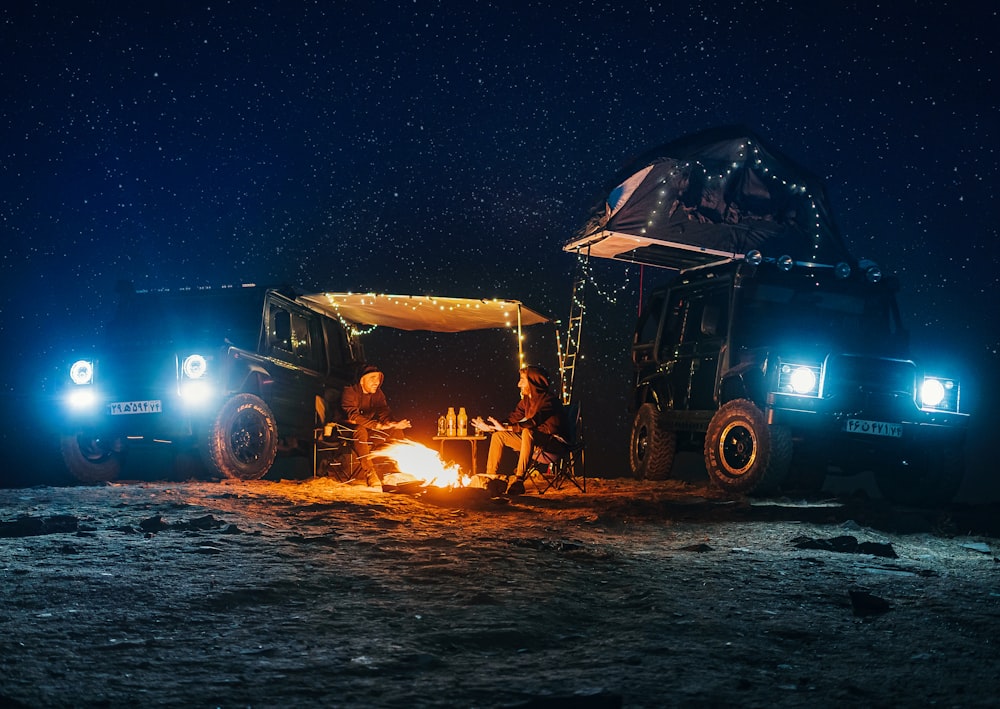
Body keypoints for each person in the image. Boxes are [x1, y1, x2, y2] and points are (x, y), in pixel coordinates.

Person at [473, 365, 568, 496]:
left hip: (554, 446)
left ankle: (519, 481)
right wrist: (491, 427)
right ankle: (491, 478)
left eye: (522, 380)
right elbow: (512, 418)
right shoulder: (526, 401)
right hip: (534, 444)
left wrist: (508, 428)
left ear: (533, 382)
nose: (519, 384)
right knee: (498, 436)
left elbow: (534, 422)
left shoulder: (549, 401)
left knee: (527, 431)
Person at [340, 364, 411, 487]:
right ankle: (369, 472)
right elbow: (353, 416)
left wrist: (392, 423)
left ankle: (395, 470)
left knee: (395, 431)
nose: (377, 382)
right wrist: (376, 425)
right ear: (362, 380)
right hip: (346, 430)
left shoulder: (377, 394)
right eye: (372, 378)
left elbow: (384, 411)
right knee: (360, 430)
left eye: (378, 378)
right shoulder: (349, 391)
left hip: (369, 428)